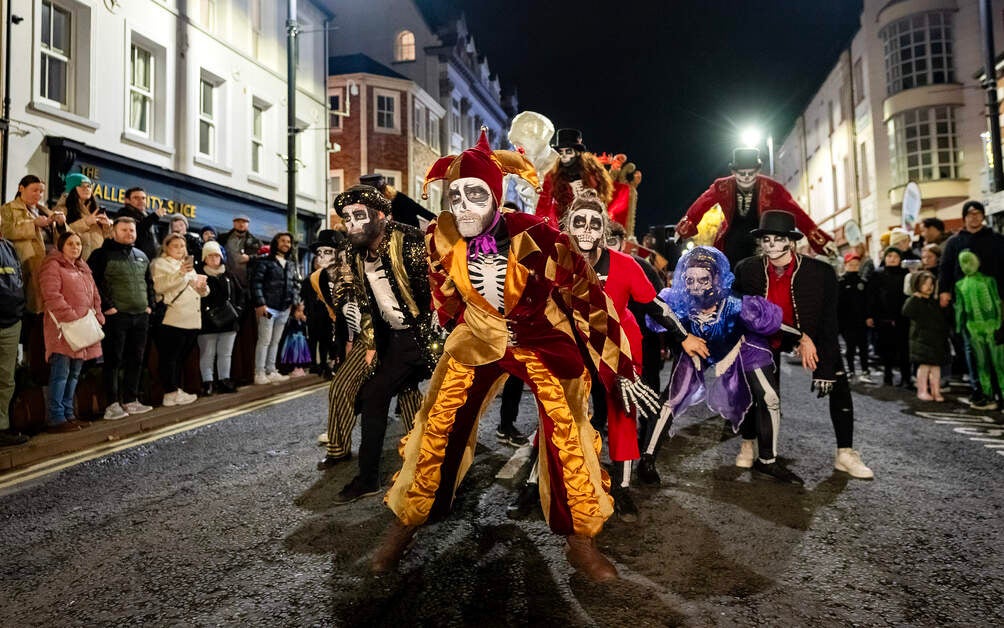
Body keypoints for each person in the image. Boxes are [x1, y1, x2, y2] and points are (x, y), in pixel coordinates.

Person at [371, 130, 674, 582]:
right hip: (477, 339)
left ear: (496, 198)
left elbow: (589, 299)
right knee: (439, 422)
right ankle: (406, 523)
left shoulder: (540, 237)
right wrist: (445, 319)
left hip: (540, 340)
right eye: (455, 196)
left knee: (567, 428)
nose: (464, 206)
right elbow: (445, 289)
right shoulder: (440, 236)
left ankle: (579, 539)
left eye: (476, 195)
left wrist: (622, 368)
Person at [559, 188, 704, 513]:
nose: (585, 230)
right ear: (568, 226)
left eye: (593, 224)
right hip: (576, 347)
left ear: (603, 230)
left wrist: (683, 338)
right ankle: (561, 482)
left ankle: (622, 486)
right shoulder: (558, 263)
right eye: (578, 222)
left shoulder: (625, 265)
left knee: (623, 412)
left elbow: (655, 307)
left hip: (619, 348)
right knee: (564, 412)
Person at [734, 210, 873, 480]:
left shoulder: (821, 272)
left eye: (778, 239)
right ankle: (749, 442)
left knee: (837, 381)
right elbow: (743, 312)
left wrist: (824, 365)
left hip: (810, 331)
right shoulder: (747, 269)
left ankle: (845, 452)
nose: (771, 245)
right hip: (764, 335)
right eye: (766, 239)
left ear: (791, 242)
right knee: (759, 390)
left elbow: (829, 321)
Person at [318, 185, 435, 499]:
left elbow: (438, 291)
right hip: (395, 340)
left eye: (359, 216)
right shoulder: (356, 254)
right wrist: (370, 345)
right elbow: (368, 305)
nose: (352, 224)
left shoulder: (410, 241)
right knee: (374, 394)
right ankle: (370, 478)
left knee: (450, 404)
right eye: (346, 218)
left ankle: (439, 473)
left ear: (381, 216)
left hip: (430, 338)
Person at [646, 246, 792, 482]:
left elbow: (774, 323)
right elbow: (653, 313)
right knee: (671, 399)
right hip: (697, 346)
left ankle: (768, 459)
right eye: (690, 280)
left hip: (738, 344)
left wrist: (803, 337)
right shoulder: (679, 303)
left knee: (769, 397)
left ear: (716, 279)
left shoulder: (735, 305)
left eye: (703, 279)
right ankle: (647, 458)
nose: (696, 286)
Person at [676, 148, 835, 266]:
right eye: (742, 173)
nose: (746, 177)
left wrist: (818, 238)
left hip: (761, 243)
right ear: (734, 171)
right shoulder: (722, 186)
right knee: (731, 279)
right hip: (731, 242)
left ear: (757, 171)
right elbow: (701, 204)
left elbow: (795, 212)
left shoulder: (772, 187)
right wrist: (683, 228)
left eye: (750, 173)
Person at [88, 217, 155, 419]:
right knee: (113, 361)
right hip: (116, 317)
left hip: (140, 316)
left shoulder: (142, 255)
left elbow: (149, 283)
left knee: (136, 360)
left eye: (132, 230)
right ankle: (111, 404)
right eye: (124, 230)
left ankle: (131, 400)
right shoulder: (101, 255)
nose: (129, 233)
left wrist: (150, 306)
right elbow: (93, 283)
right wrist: (108, 307)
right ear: (113, 232)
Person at [939, 201, 1004, 410]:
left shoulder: (996, 240)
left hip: (996, 306)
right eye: (969, 214)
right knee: (973, 350)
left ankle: (999, 392)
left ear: (983, 216)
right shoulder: (954, 242)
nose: (974, 217)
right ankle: (981, 393)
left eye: (978, 213)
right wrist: (944, 291)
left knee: (998, 349)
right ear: (964, 217)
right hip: (966, 306)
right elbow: (946, 269)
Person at [39, 232, 104, 431]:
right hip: (64, 329)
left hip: (83, 329)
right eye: (70, 244)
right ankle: (56, 418)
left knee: (74, 373)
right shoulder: (52, 266)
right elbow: (51, 295)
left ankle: (69, 414)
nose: (75, 247)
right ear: (61, 246)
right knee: (61, 373)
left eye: (78, 244)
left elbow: (95, 296)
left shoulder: (84, 269)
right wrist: (72, 316)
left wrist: (98, 315)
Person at [152, 233, 209, 406]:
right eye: (175, 246)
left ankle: (177, 390)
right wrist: (180, 274)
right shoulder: (160, 263)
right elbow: (159, 286)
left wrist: (203, 288)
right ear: (166, 247)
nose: (179, 249)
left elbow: (201, 291)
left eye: (182, 246)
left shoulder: (188, 266)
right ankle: (170, 392)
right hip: (173, 316)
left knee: (180, 357)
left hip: (192, 318)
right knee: (170, 357)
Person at [1, 175, 66, 313]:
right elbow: (5, 231)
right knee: (29, 307)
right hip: (24, 264)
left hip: (49, 265)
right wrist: (33, 224)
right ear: (21, 188)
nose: (38, 194)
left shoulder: (44, 210)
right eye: (34, 190)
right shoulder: (8, 209)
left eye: (41, 191)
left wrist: (61, 224)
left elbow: (64, 239)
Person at [953, 250, 1004, 408]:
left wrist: (1001, 324)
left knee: (998, 364)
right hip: (975, 327)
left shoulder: (989, 281)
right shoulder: (960, 285)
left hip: (991, 325)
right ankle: (988, 396)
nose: (967, 266)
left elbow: (997, 302)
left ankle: (997, 396)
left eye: (970, 261)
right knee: (983, 364)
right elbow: (960, 309)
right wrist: (959, 327)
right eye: (964, 262)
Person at [534, 128, 613, 224]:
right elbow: (543, 205)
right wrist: (539, 226)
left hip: (592, 222)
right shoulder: (552, 176)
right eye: (561, 152)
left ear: (577, 152)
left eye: (568, 152)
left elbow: (603, 198)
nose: (564, 156)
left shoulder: (593, 173)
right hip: (563, 224)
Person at [196, 240, 244, 395]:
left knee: (225, 353)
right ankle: (208, 383)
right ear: (204, 258)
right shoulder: (199, 275)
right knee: (207, 354)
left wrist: (238, 310)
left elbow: (241, 294)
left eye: (216, 255)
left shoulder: (229, 274)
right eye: (210, 256)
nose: (214, 259)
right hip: (207, 322)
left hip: (229, 321)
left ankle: (224, 380)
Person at [250, 232, 297, 384]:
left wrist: (293, 303)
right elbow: (256, 283)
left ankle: (271, 370)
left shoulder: (290, 264)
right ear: (275, 243)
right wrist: (260, 303)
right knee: (264, 340)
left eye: (288, 242)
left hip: (284, 309)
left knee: (275, 341)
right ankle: (259, 373)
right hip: (268, 308)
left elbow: (295, 284)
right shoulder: (264, 262)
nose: (286, 244)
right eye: (282, 241)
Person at [0, 222, 29, 447]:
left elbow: (18, 280)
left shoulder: (9, 248)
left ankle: (2, 427)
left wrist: (19, 311)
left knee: (6, 379)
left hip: (11, 321)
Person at [867, 247, 911, 387]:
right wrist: (869, 315)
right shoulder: (877, 274)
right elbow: (871, 297)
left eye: (896, 256)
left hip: (902, 316)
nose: (892, 259)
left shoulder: (906, 274)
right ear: (885, 258)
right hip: (883, 317)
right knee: (886, 348)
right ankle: (888, 374)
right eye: (889, 256)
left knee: (904, 349)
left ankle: (906, 377)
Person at [902, 271, 949, 402]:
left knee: (936, 367)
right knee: (924, 367)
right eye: (925, 284)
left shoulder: (933, 302)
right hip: (921, 339)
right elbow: (906, 312)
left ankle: (936, 390)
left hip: (935, 339)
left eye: (931, 284)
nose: (929, 287)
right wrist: (915, 297)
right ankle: (922, 390)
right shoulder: (915, 301)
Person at [302, 230, 343, 377]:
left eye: (328, 251)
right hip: (327, 319)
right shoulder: (314, 278)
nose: (322, 256)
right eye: (319, 252)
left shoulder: (355, 272)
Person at [57, 173, 112, 261]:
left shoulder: (94, 210)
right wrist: (86, 223)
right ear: (72, 188)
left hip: (98, 264)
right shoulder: (62, 210)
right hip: (75, 263)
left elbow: (108, 243)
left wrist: (107, 227)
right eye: (82, 186)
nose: (86, 189)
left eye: (89, 186)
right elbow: (60, 235)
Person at [838, 251, 872, 384]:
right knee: (850, 347)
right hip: (847, 322)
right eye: (851, 265)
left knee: (864, 347)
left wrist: (869, 316)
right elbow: (837, 304)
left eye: (856, 265)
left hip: (861, 320)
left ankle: (865, 370)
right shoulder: (840, 282)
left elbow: (868, 301)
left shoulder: (862, 282)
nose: (854, 267)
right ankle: (851, 370)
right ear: (846, 265)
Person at [113, 187, 164, 261]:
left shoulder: (147, 215)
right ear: (127, 200)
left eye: (143, 198)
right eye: (136, 198)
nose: (141, 201)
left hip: (149, 260)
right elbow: (137, 230)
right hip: (133, 259)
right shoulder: (124, 213)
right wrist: (154, 216)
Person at [218, 215, 262, 289]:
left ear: (248, 224)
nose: (241, 224)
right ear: (234, 223)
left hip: (246, 282)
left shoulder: (255, 242)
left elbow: (264, 257)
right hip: (226, 279)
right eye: (238, 221)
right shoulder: (223, 238)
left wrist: (249, 258)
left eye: (244, 222)